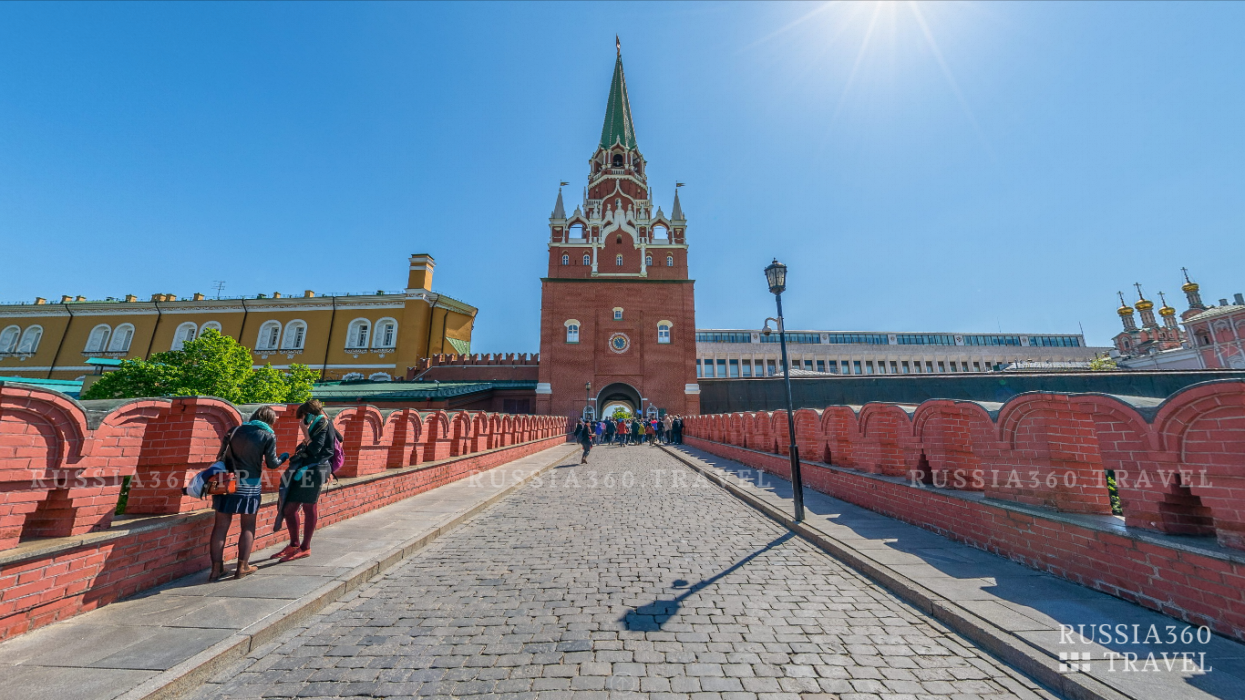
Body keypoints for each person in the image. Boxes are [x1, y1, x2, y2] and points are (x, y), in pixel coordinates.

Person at [210, 405, 285, 582]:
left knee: (220, 526)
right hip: (249, 486)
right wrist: (285, 457)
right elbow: (272, 464)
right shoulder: (268, 435)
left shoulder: (234, 430)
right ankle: (242, 567)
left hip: (225, 483)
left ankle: (215, 570)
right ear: (270, 420)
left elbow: (220, 455)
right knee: (248, 525)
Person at [273, 399, 340, 563]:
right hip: (306, 470)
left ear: (309, 415)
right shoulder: (323, 424)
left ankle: (305, 547)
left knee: (309, 507)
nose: (302, 421)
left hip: (313, 471)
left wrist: (305, 433)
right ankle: (294, 544)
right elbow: (339, 437)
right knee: (289, 508)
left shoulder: (321, 424)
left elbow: (315, 449)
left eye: (303, 417)